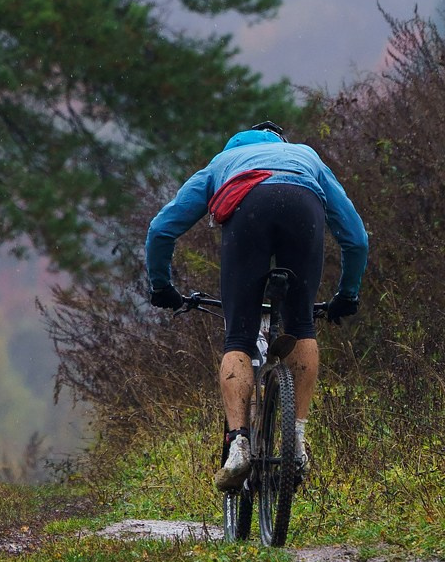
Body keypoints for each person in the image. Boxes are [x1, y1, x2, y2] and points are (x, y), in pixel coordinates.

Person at [143, 122, 369, 494]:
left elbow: (160, 229)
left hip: (248, 210)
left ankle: (239, 446)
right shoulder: (305, 156)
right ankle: (295, 439)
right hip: (302, 205)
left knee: (239, 338)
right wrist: (348, 294)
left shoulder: (224, 162)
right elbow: (356, 238)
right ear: (282, 143)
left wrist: (161, 287)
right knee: (301, 326)